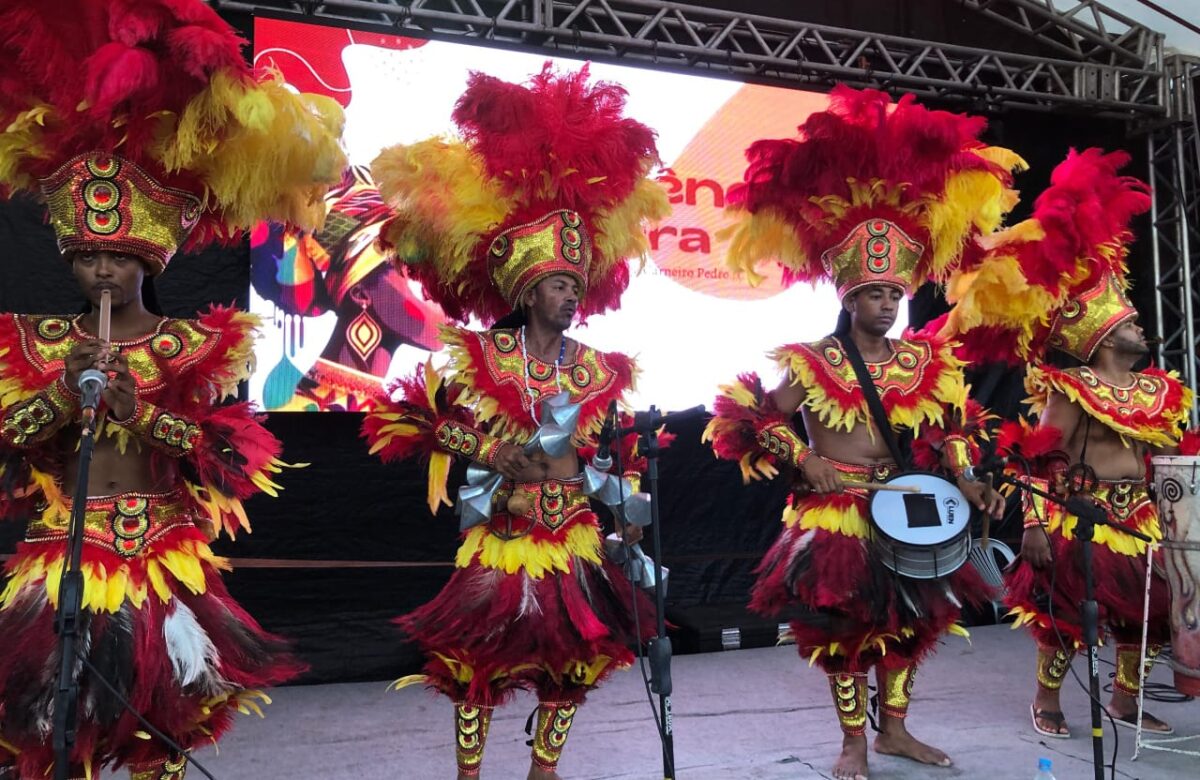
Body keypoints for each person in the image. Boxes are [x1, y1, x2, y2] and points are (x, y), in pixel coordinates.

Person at [0, 2, 346, 777]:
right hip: (64, 553)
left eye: (115, 259)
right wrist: (61, 397)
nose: (99, 272)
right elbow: (8, 442)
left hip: (162, 553)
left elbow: (233, 461)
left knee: (160, 734)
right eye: (86, 257)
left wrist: (140, 415)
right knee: (58, 739)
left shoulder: (195, 344)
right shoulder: (34, 341)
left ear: (148, 261)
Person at [361, 65, 669, 780]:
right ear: (528, 288)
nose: (571, 296)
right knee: (480, 660)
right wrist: (493, 454)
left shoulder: (600, 368)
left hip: (575, 530)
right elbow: (421, 419)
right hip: (503, 530)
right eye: (559, 285)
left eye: (575, 285)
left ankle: (544, 770)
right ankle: (470, 774)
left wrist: (627, 509)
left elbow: (613, 448)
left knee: (575, 657)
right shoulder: (481, 356)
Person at [705, 86, 1017, 780]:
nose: (887, 303)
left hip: (908, 504)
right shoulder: (815, 362)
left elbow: (953, 424)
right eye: (875, 293)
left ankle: (896, 732)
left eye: (896, 295)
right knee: (846, 630)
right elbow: (747, 416)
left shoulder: (925, 360)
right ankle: (852, 740)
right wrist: (801, 457)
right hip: (838, 509)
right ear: (849, 298)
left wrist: (966, 474)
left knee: (911, 621)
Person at [940, 149, 1193, 739]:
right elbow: (1037, 458)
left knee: (1149, 617)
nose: (1140, 328)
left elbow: (1166, 458)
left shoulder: (1160, 390)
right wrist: (1032, 526)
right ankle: (1047, 700)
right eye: (1129, 325)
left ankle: (1125, 701)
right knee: (1068, 623)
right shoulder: (1072, 388)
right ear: (1103, 337)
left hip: (1144, 518)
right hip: (1082, 514)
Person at [250, 166, 445, 412]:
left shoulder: (403, 418)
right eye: (418, 273)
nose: (443, 293)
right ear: (361, 292)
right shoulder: (296, 413)